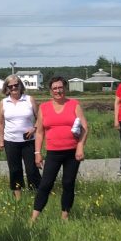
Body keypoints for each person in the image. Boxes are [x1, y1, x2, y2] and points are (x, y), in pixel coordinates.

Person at [32, 76, 88, 222]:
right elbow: (39, 132)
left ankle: (65, 216)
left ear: (65, 88)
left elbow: (84, 128)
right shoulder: (44, 108)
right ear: (50, 91)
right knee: (45, 184)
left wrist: (80, 147)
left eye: (60, 87)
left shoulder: (74, 104)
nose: (58, 91)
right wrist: (37, 153)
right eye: (55, 88)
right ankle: (34, 218)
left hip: (72, 151)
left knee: (68, 183)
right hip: (53, 152)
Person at [0, 74, 41, 200]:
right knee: (15, 170)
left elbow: (39, 118)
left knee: (32, 169)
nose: (14, 88)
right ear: (7, 88)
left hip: (28, 140)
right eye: (10, 86)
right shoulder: (3, 102)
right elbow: (0, 122)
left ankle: (37, 194)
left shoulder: (29, 99)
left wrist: (34, 128)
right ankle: (18, 197)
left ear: (21, 85)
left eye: (16, 85)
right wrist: (1, 140)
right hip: (11, 141)